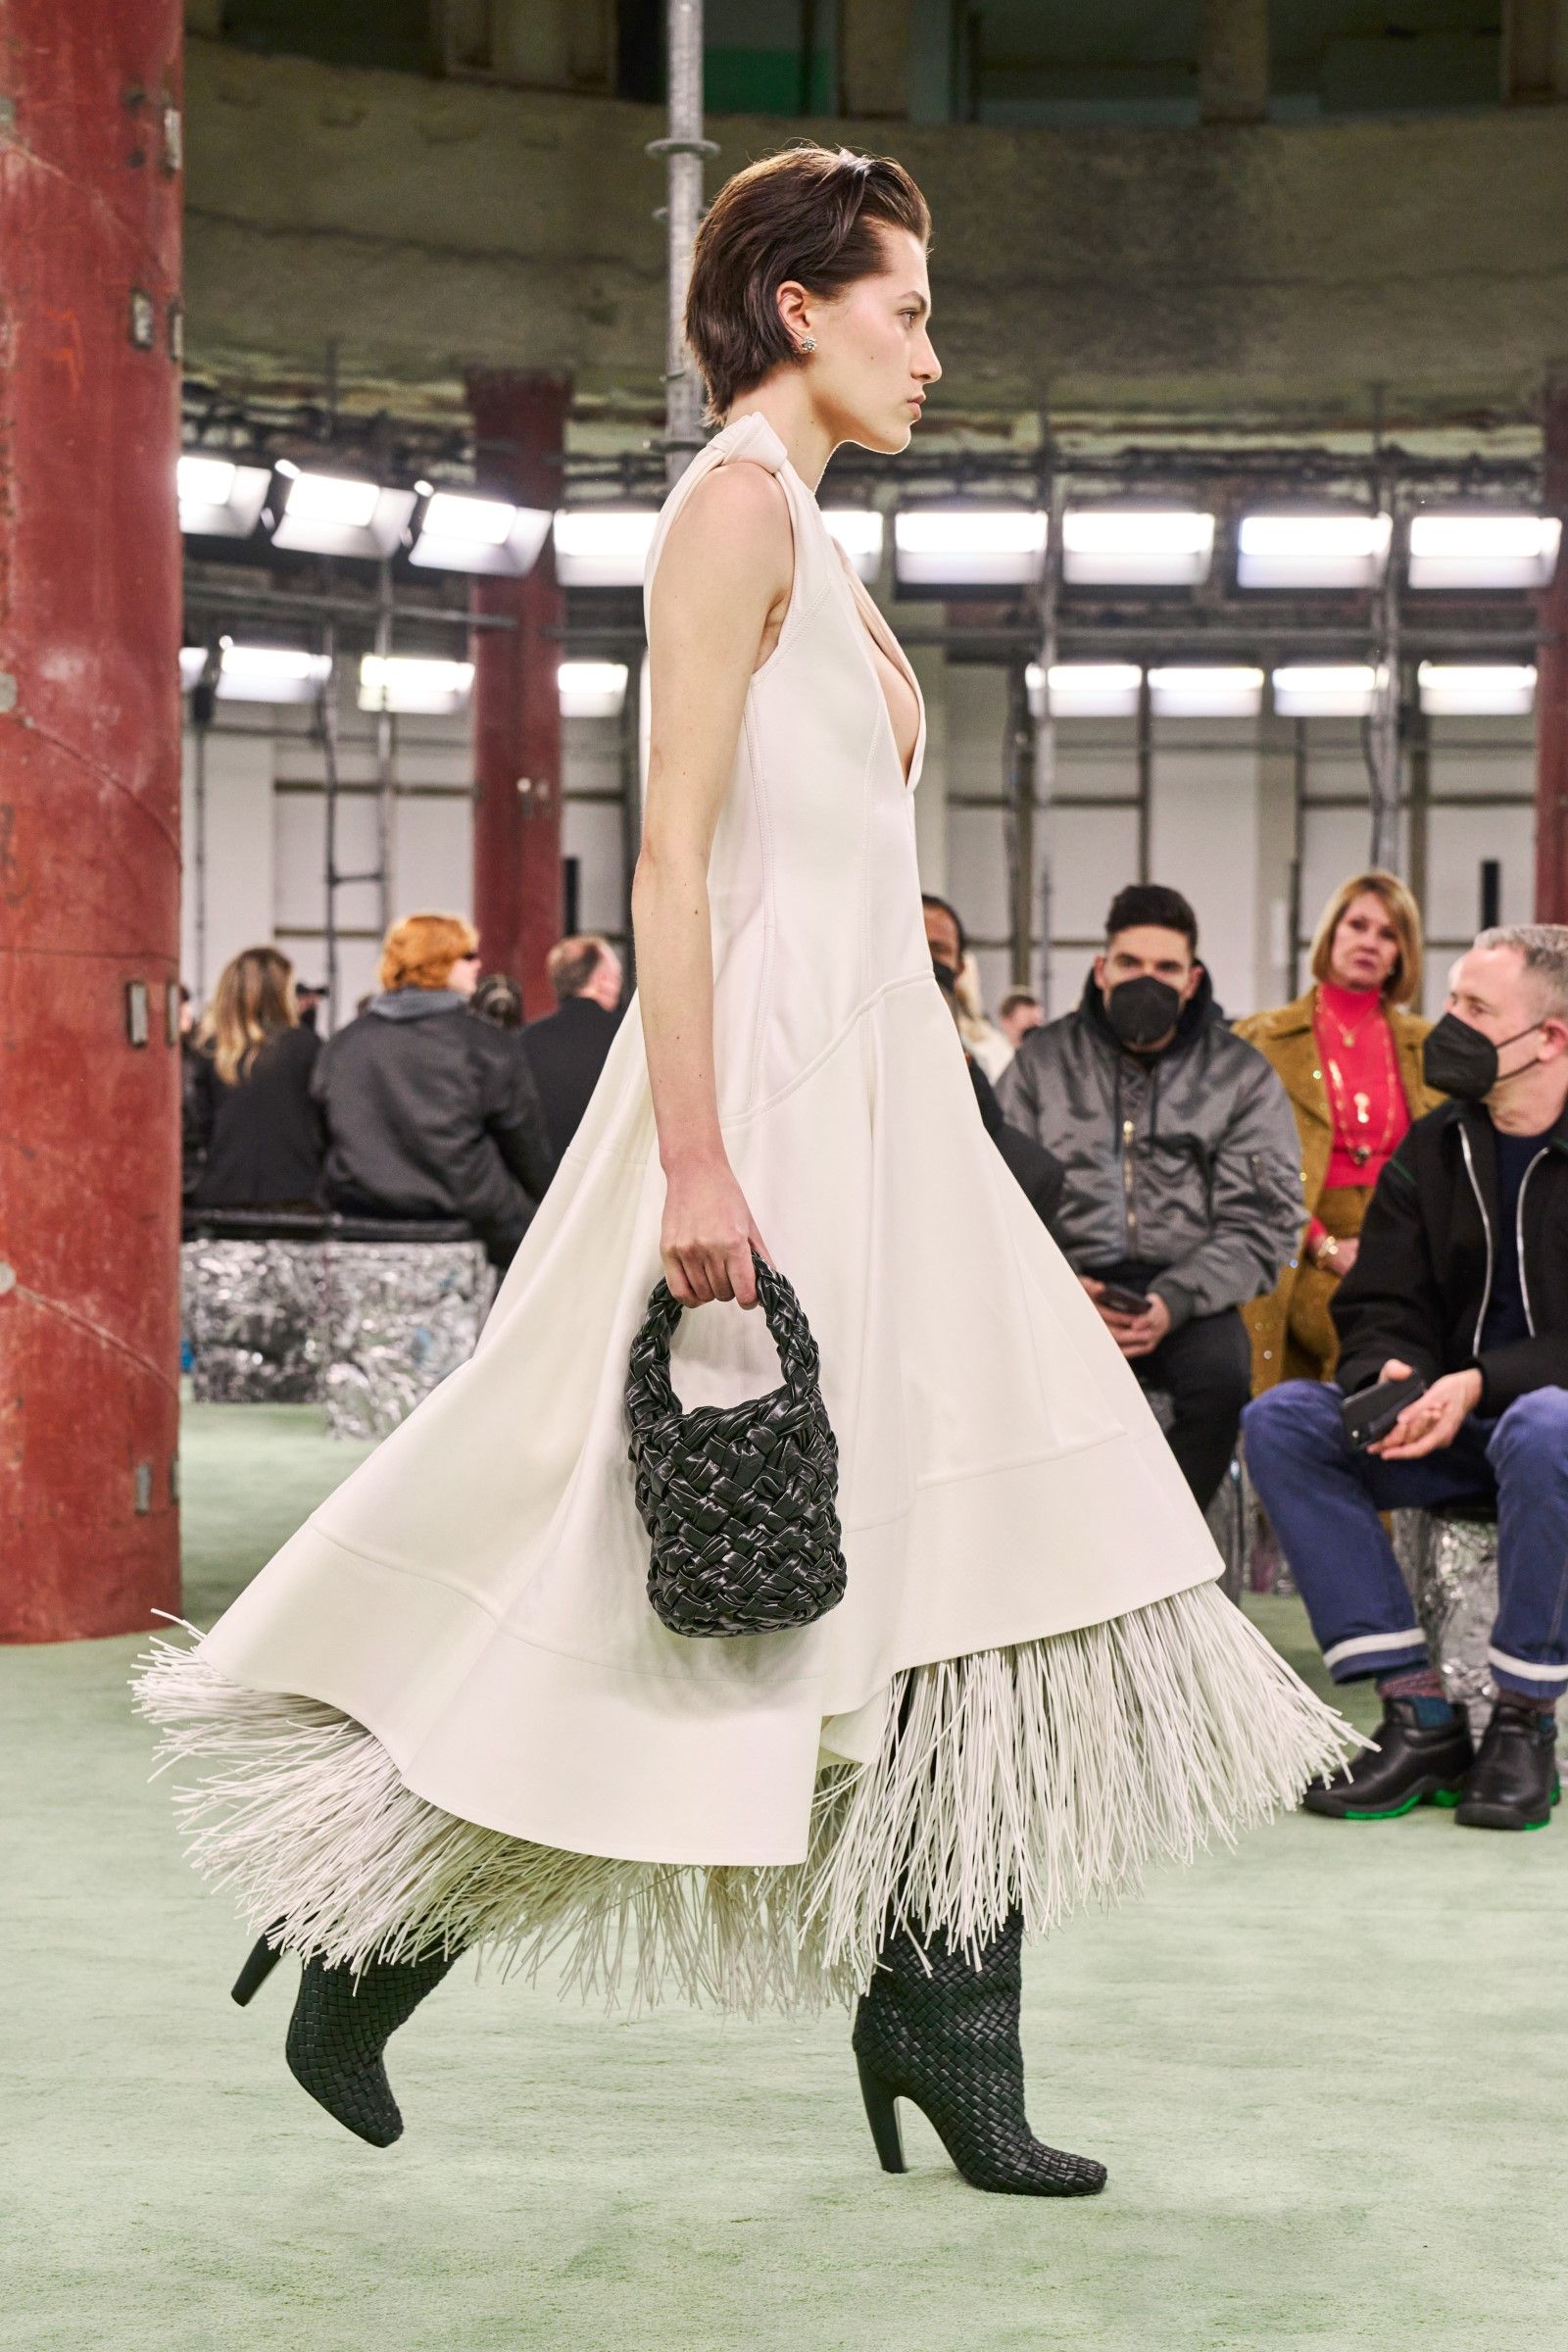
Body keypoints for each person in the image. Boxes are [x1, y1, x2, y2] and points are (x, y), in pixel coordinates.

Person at [135, 142, 1345, 2196]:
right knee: (662, 1561)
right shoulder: (728, 509)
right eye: (906, 311)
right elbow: (673, 870)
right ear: (799, 306)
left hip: (885, 1110)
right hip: (771, 1106)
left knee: (984, 1551)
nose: (932, 355)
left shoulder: (808, 523)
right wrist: (696, 1160)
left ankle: (942, 2015)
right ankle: (378, 1925)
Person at [1244, 923, 1568, 1834]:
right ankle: (1418, 1712)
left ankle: (1524, 1723)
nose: (1446, 1024)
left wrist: (1478, 1382)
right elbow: (1382, 1298)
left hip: (1549, 1437)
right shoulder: (1435, 1146)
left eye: (1475, 1008)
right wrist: (1393, 1374)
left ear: (1550, 1037)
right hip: (1450, 1426)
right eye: (1451, 998)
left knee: (1546, 1421)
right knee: (1283, 1422)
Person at [998, 883, 1303, 1512]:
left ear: (1192, 980)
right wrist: (1064, 1288)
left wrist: (1176, 1299)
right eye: (1130, 963)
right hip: (1064, 1285)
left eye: (1166, 967)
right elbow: (996, 1195)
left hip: (1190, 1292)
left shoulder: (1240, 1074)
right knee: (1013, 1388)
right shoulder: (1040, 1064)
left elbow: (1264, 1219)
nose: (1148, 980)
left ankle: (1162, 1538)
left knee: (1223, 1382)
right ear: (1101, 969)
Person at [1234, 871, 1442, 1391]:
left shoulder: (1430, 1045)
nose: (1370, 942)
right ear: (1331, 934)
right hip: (1302, 1238)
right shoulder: (1263, 1038)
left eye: (1388, 934)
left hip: (1407, 1237)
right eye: (1358, 925)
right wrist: (1324, 1246)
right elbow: (1244, 1163)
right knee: (1353, 1335)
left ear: (1401, 955)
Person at [312, 911, 555, 1269]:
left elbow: (321, 1136)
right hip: (472, 1224)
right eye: (467, 956)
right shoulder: (485, 1045)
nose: (478, 964)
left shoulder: (344, 1044)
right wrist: (548, 1206)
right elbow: (526, 1147)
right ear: (436, 963)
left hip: (363, 1223)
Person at [184, 947, 323, 1211]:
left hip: (221, 1198)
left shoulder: (206, 1051)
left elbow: (194, 1127)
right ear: (281, 993)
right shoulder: (308, 1047)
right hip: (296, 1197)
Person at [517, 934, 626, 1162]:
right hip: (609, 1170)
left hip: (547, 1173)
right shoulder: (626, 1037)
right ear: (601, 980)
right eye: (617, 976)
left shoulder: (526, 1039)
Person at [922, 893, 1013, 1081]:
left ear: (960, 967)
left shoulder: (974, 1066)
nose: (924, 958)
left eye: (938, 949)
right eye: (915, 946)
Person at [997, 987, 1044, 1051]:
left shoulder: (1046, 1051)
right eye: (1029, 1021)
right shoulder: (990, 1054)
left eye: (1038, 1021)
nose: (1036, 1027)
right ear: (1006, 1022)